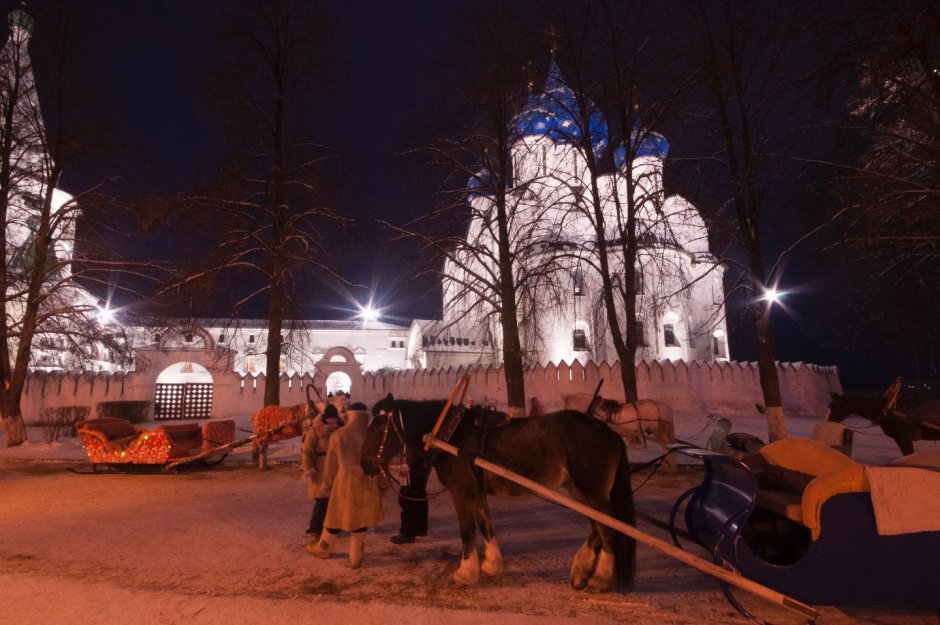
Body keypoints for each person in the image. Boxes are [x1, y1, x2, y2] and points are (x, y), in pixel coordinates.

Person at [306, 406, 384, 568]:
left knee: (335, 516)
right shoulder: (372, 435)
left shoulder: (339, 434)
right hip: (367, 480)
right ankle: (356, 556)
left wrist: (326, 483)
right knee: (361, 518)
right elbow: (379, 461)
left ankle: (324, 549)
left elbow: (331, 464)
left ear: (350, 415)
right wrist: (382, 483)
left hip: (345, 480)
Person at [301, 403, 344, 546]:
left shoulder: (342, 430)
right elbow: (307, 451)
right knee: (322, 501)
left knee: (337, 500)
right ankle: (315, 529)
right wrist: (309, 468)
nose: (332, 421)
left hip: (338, 469)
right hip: (321, 470)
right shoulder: (315, 431)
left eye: (334, 419)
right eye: (330, 419)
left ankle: (333, 527)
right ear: (325, 418)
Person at [390, 454, 429, 544]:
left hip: (411, 463)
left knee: (408, 496)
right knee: (418, 492)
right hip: (413, 463)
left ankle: (407, 533)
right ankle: (419, 528)